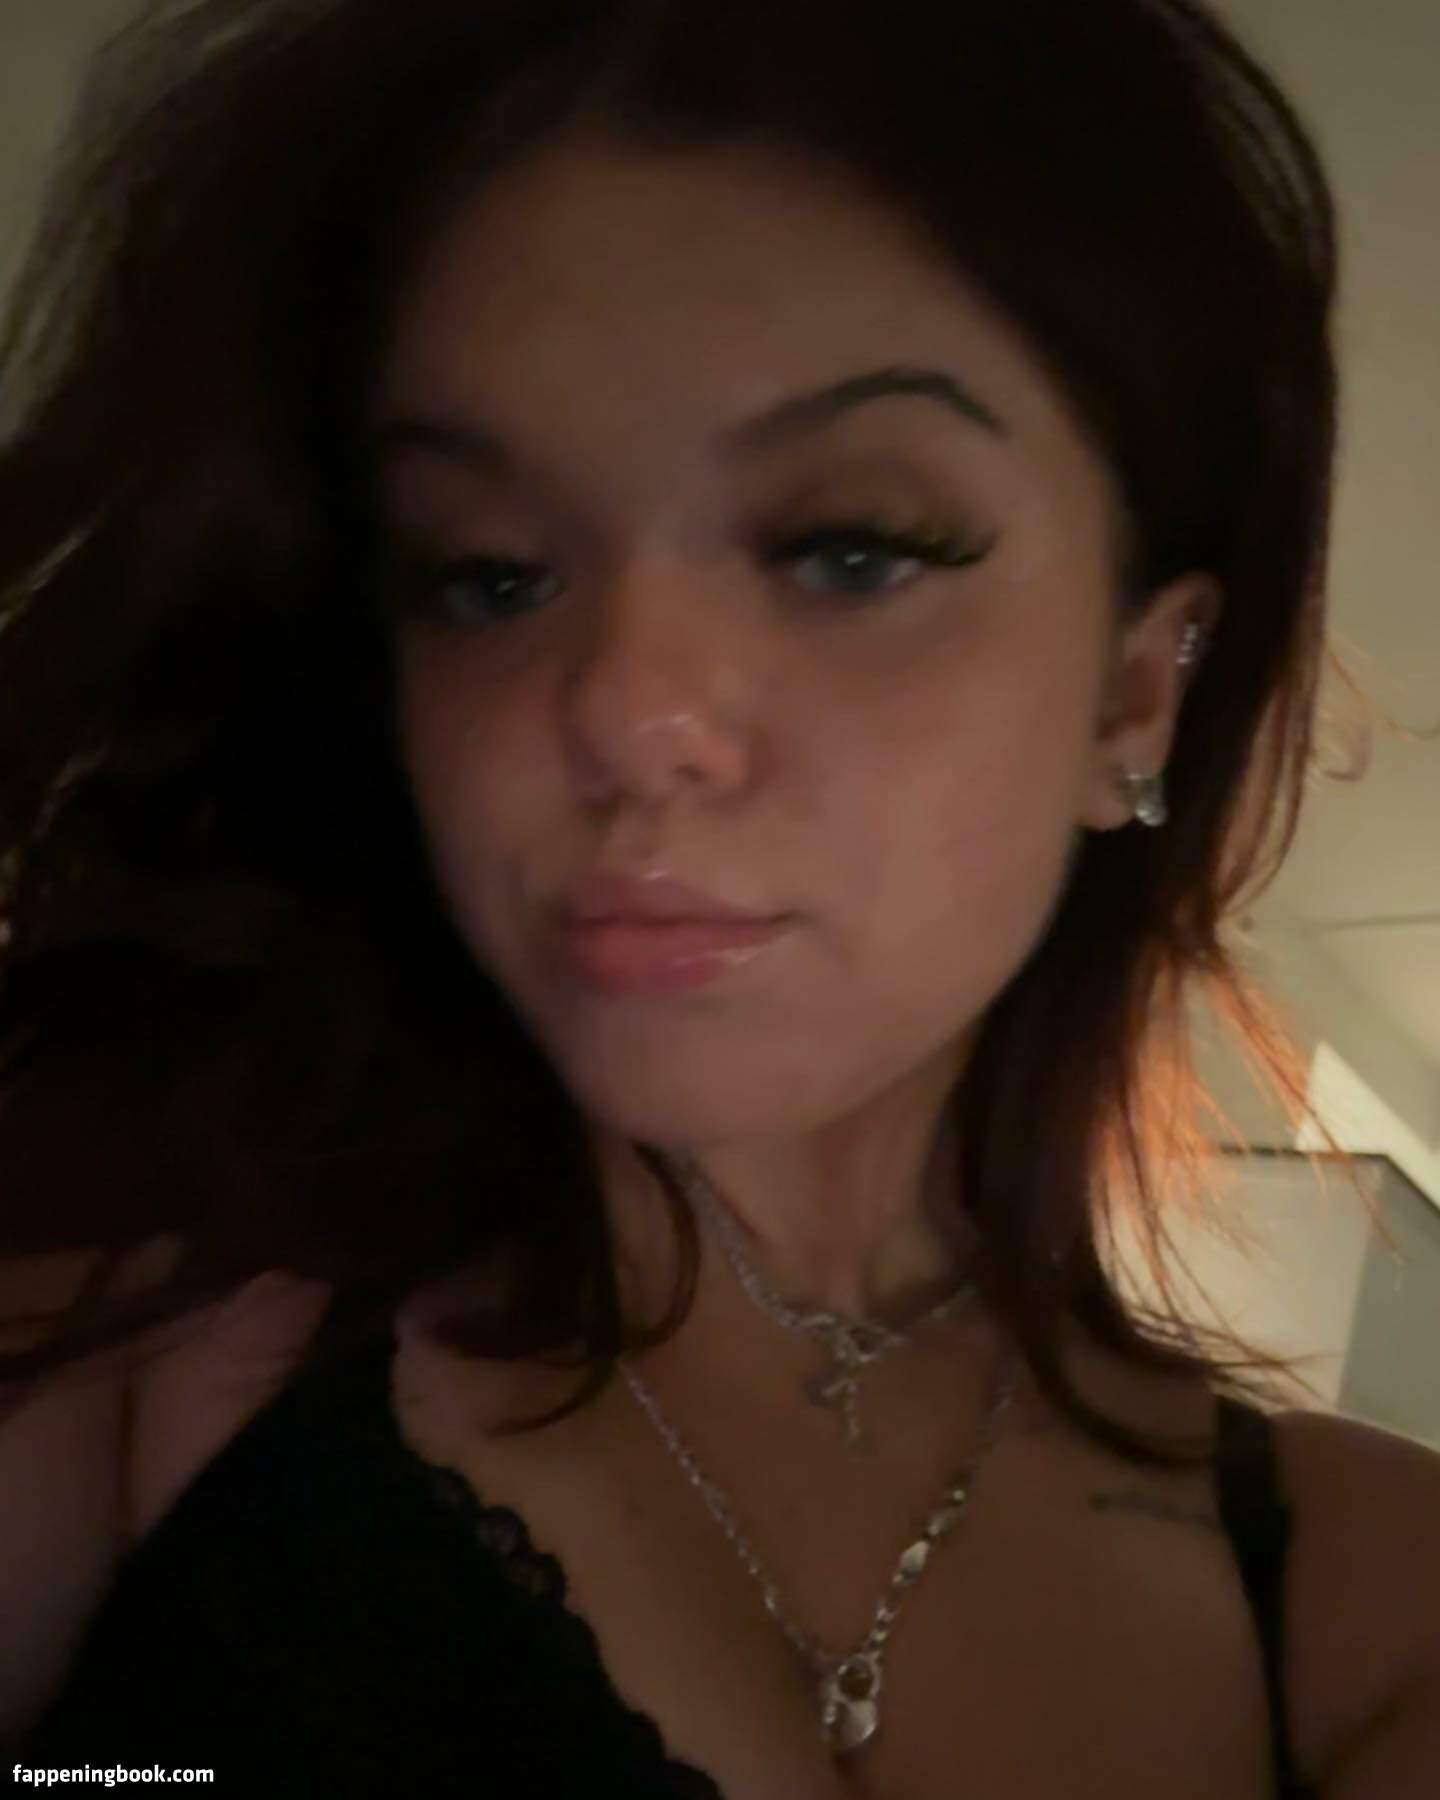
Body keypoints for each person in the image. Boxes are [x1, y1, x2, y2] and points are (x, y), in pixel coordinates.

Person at [0, 0, 1436, 1793]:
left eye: (850, 548)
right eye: (487, 573)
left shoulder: (1372, 1602)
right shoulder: (133, 1329)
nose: (620, 709)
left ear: (1136, 697)